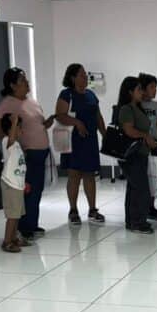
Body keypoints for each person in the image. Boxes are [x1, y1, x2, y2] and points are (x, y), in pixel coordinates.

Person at [0, 68, 54, 240]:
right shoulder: (8, 103)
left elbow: (38, 124)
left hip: (41, 152)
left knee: (37, 190)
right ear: (12, 85)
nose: (26, 82)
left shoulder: (31, 101)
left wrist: (47, 123)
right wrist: (11, 146)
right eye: (22, 80)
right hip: (27, 154)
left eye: (26, 79)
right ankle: (24, 227)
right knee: (28, 190)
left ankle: (32, 224)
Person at [55, 63, 106, 225]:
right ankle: (73, 210)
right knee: (74, 175)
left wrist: (105, 134)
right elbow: (60, 115)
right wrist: (77, 122)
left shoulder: (91, 95)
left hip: (89, 140)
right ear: (73, 78)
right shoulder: (66, 94)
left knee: (90, 175)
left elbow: (98, 116)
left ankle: (92, 209)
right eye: (82, 75)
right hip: (73, 141)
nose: (85, 77)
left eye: (85, 75)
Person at [117, 76, 157, 234]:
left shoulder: (138, 107)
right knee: (141, 188)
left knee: (134, 187)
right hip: (131, 155)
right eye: (139, 90)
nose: (142, 92)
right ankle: (138, 222)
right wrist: (145, 136)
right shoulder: (126, 109)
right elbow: (129, 130)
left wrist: (148, 138)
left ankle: (132, 220)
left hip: (140, 153)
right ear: (130, 92)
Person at [138, 72, 157, 222]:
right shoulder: (137, 105)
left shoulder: (156, 106)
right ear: (142, 88)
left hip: (154, 143)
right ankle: (141, 207)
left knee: (153, 177)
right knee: (142, 177)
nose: (155, 90)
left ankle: (151, 207)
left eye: (156, 87)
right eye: (152, 87)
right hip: (141, 145)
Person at [0, 113, 28, 252]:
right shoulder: (7, 141)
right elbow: (10, 138)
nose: (21, 130)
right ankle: (7, 241)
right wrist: (14, 121)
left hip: (18, 184)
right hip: (10, 184)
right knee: (12, 215)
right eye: (18, 127)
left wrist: (24, 182)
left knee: (17, 214)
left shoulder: (17, 144)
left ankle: (14, 237)